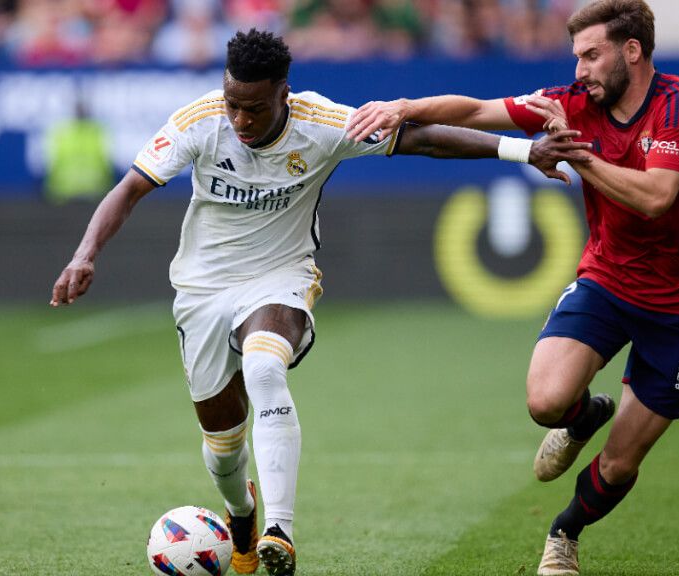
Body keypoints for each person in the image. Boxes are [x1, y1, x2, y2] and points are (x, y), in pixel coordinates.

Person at [49, 29, 588, 576]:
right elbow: (128, 189)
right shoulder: (200, 122)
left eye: (254, 109)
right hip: (202, 289)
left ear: (285, 94)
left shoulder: (325, 124)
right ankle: (243, 515)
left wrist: (523, 150)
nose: (240, 120)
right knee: (222, 446)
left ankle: (279, 530)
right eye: (233, 104)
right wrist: (84, 255)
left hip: (280, 277)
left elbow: (422, 138)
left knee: (263, 364)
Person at [346, 1, 679, 574]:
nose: (580, 69)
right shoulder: (575, 102)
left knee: (623, 463)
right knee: (545, 402)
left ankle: (564, 532)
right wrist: (404, 106)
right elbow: (479, 110)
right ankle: (582, 417)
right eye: (576, 55)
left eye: (592, 54)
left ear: (632, 51)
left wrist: (574, 152)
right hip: (610, 279)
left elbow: (655, 198)